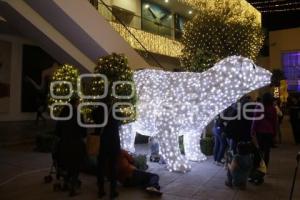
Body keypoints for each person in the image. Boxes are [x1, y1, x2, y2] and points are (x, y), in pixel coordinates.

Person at [55, 98, 87, 196]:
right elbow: (84, 132)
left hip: (64, 144)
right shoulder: (79, 114)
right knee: (75, 166)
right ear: (76, 103)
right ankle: (73, 188)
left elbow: (57, 130)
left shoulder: (63, 113)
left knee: (67, 165)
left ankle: (66, 184)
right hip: (76, 144)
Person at [93, 97, 121, 199]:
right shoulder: (115, 110)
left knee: (101, 166)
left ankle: (101, 190)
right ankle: (112, 191)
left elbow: (94, 120)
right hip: (113, 142)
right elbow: (119, 122)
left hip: (101, 142)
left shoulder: (97, 110)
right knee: (113, 166)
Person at [251, 92, 277, 167]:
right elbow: (274, 122)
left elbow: (255, 120)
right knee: (267, 151)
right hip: (269, 132)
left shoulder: (259, 107)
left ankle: (257, 166)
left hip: (260, 131)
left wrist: (252, 130)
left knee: (259, 149)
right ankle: (265, 167)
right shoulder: (273, 109)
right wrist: (274, 133)